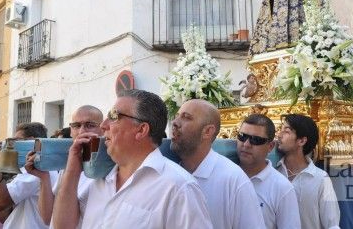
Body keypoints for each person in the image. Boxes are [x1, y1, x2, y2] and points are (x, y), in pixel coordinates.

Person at [52, 90, 212, 229]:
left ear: (141, 130)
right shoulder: (102, 178)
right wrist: (72, 169)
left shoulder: (178, 188)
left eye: (114, 116)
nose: (103, 125)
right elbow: (63, 226)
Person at [171, 99, 265, 229]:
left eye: (186, 117)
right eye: (177, 116)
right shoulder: (167, 172)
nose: (175, 123)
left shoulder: (234, 180)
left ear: (208, 131)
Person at [25, 105, 104, 226]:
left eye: (90, 125)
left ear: (102, 129)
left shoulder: (107, 169)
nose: (82, 131)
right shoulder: (68, 164)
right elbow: (48, 218)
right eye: (76, 126)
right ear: (71, 131)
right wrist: (43, 178)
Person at [276, 114, 340, 229]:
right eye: (280, 130)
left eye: (286, 131)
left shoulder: (320, 179)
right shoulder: (274, 172)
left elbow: (332, 225)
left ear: (301, 141)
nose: (279, 135)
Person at [0, 122, 58, 229]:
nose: (13, 145)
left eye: (17, 140)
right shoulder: (30, 169)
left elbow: (0, 203)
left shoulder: (38, 169)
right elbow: (3, 215)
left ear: (31, 142)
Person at [236, 114, 300, 229]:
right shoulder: (224, 176)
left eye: (256, 140)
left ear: (270, 146)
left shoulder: (282, 188)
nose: (246, 144)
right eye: (242, 136)